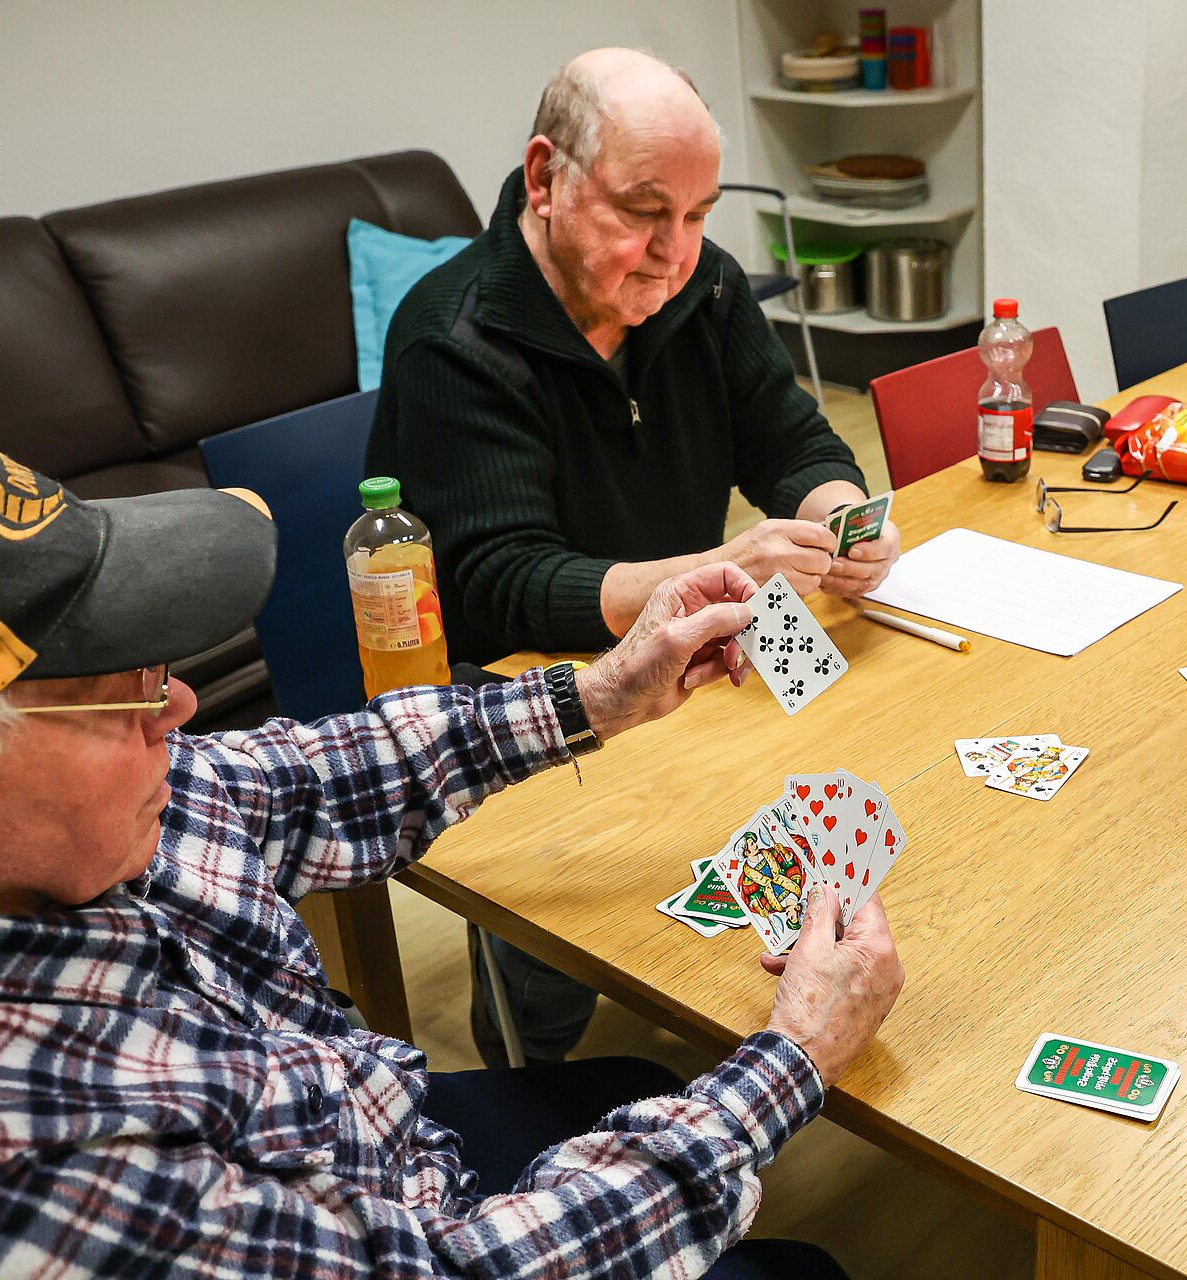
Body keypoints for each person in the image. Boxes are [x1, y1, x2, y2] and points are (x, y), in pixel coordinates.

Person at [0, 434, 904, 1279]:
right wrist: (794, 1059)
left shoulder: (83, 819)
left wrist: (600, 694)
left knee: (639, 1091)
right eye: (118, 694)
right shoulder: (32, 1174)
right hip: (415, 1221)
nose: (182, 709)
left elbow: (305, 776)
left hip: (379, 1130)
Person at [364, 47, 902, 1066]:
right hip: (528, 696)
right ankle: (534, 1053)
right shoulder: (451, 338)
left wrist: (844, 515)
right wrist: (715, 564)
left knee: (844, 788)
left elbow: (790, 438)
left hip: (698, 667)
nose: (674, 254)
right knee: (564, 969)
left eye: (699, 215)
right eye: (643, 211)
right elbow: (503, 581)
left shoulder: (707, 291)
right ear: (543, 178)